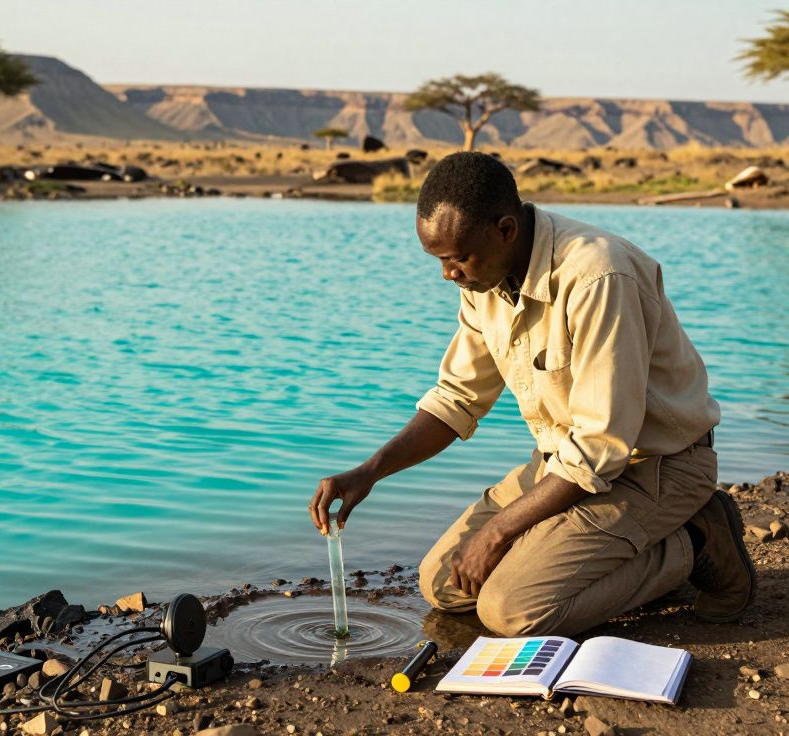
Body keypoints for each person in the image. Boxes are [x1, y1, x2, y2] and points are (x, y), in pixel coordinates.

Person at [308, 152, 755, 637]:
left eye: (456, 258)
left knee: (512, 611)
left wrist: (499, 533)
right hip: (565, 464)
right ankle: (624, 556)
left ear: (505, 229)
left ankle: (694, 539)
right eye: (439, 260)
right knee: (444, 586)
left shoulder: (598, 276)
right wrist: (369, 472)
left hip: (657, 466)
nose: (448, 274)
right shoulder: (487, 274)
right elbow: (458, 398)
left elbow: (600, 447)